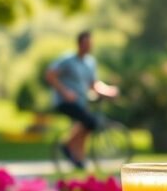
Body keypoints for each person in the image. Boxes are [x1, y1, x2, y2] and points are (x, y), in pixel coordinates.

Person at [45, 30, 118, 169]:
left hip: (81, 102)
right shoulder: (67, 60)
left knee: (87, 124)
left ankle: (78, 155)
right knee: (90, 122)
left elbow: (93, 84)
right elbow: (50, 75)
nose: (88, 46)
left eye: (90, 43)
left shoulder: (90, 63)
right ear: (79, 44)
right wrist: (65, 92)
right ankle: (67, 145)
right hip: (65, 101)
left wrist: (108, 91)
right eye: (86, 43)